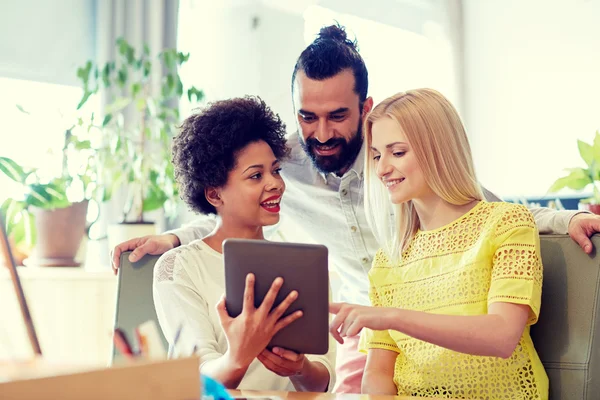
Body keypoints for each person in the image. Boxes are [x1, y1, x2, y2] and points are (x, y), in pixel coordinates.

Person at [113, 24, 600, 394]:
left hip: (390, 324)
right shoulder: (282, 166)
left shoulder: (395, 155)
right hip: (356, 332)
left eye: (337, 116)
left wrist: (568, 218)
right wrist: (173, 238)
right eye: (308, 116)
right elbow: (231, 202)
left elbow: (478, 205)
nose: (321, 133)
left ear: (364, 108)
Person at [329, 88, 548, 399]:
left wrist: (392, 316)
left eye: (398, 152)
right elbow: (378, 373)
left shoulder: (507, 224)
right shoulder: (388, 261)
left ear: (438, 149)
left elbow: (501, 336)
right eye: (377, 155)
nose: (381, 169)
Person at [153, 96, 333, 391]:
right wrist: (238, 356)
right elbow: (196, 384)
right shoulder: (179, 267)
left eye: (275, 170)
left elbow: (325, 378)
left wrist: (301, 369)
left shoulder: (304, 263)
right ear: (214, 195)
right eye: (256, 176)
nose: (275, 183)